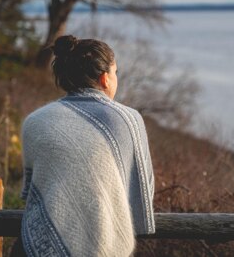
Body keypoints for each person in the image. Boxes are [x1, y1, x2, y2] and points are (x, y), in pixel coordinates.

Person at [18, 35, 155, 256]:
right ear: (105, 78)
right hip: (105, 247)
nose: (115, 78)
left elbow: (30, 193)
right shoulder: (129, 120)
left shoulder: (34, 121)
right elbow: (143, 195)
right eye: (115, 72)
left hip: (33, 249)